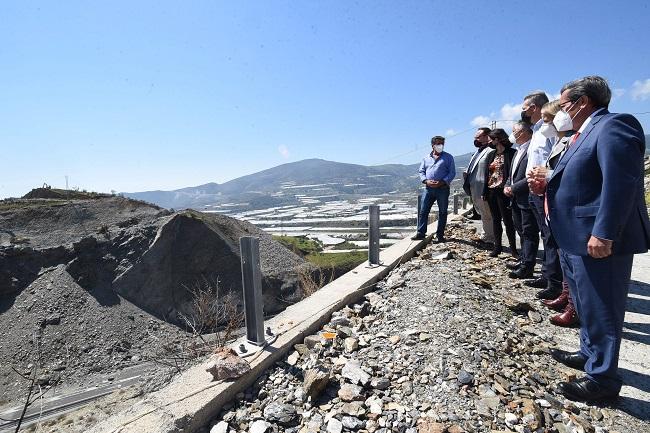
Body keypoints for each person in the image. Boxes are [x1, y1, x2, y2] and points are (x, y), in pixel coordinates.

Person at [532, 76, 650, 401]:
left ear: (583, 102)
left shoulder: (613, 126)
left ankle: (603, 381)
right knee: (585, 303)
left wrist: (604, 232)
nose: (561, 111)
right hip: (573, 237)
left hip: (597, 238)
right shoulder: (579, 134)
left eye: (565, 104)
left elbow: (621, 182)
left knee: (603, 308)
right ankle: (589, 354)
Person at [529, 100, 579, 327]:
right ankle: (566, 297)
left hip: (566, 207)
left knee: (567, 254)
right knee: (562, 252)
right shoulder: (560, 140)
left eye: (547, 119)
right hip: (552, 202)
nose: (544, 124)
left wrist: (546, 175)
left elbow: (567, 172)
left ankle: (573, 305)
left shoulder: (572, 140)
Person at [521, 91, 563, 300]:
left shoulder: (551, 131)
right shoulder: (537, 130)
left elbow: (554, 160)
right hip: (534, 188)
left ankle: (556, 283)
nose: (522, 111)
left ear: (535, 107)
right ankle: (547, 275)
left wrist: (544, 177)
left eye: (525, 107)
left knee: (550, 237)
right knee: (544, 236)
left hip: (545, 187)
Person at [504, 121, 537, 278]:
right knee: (521, 231)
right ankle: (523, 259)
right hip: (515, 198)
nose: (512, 134)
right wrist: (507, 185)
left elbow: (533, 173)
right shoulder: (518, 150)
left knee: (529, 232)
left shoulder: (532, 148)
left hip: (526, 197)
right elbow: (512, 174)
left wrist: (513, 188)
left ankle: (528, 266)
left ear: (524, 132)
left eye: (514, 131)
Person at [412, 136, 456, 242]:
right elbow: (421, 171)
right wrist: (426, 181)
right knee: (423, 211)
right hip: (428, 189)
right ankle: (421, 233)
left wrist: (442, 182)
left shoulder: (448, 157)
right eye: (438, 144)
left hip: (443, 189)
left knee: (442, 212)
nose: (440, 146)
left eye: (442, 144)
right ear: (432, 145)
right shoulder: (426, 158)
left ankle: (440, 235)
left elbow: (452, 172)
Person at [482, 129, 517, 258]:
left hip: (504, 192)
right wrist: (484, 191)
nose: (490, 141)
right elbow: (487, 174)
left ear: (498, 139)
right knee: (496, 220)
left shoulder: (512, 153)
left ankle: (513, 249)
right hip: (492, 191)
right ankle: (497, 247)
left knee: (508, 221)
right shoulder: (491, 155)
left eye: (491, 139)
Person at [463, 127, 495, 244]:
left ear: (487, 137)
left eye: (478, 137)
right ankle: (485, 234)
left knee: (487, 213)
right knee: (482, 212)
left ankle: (490, 237)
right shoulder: (477, 151)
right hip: (474, 187)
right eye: (475, 137)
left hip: (483, 187)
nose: (476, 140)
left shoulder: (490, 151)